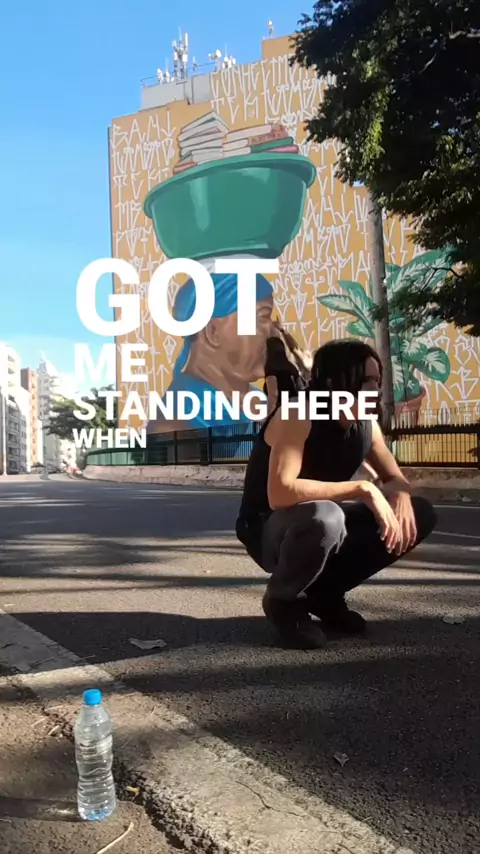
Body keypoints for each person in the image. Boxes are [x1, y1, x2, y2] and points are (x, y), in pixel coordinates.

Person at [235, 339, 437, 649]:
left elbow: (394, 477)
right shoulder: (298, 413)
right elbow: (280, 493)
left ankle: (325, 593)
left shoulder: (366, 425)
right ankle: (283, 600)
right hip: (268, 527)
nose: (375, 390)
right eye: (366, 381)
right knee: (325, 515)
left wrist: (400, 496)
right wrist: (363, 488)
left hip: (319, 520)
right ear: (333, 382)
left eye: (377, 381)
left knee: (420, 513)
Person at [263, 335, 307, 415]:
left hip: (281, 410)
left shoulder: (271, 367)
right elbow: (301, 388)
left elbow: (273, 394)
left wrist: (268, 414)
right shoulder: (291, 367)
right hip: (296, 409)